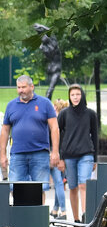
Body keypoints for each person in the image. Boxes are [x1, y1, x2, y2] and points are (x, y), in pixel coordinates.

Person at [1, 74, 61, 205]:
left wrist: (55, 151)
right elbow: (5, 131)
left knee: (40, 188)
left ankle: (38, 220)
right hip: (17, 154)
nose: (20, 90)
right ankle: (19, 219)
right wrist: (2, 155)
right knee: (15, 187)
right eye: (18, 87)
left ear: (32, 86)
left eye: (23, 87)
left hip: (40, 153)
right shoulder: (11, 105)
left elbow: (54, 128)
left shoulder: (45, 104)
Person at [58, 84, 99, 221]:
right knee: (73, 187)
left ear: (82, 95)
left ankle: (85, 216)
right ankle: (76, 219)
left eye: (78, 94)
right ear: (69, 97)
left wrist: (95, 158)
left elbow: (95, 136)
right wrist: (60, 157)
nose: (75, 97)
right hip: (69, 156)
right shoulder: (64, 114)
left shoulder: (90, 114)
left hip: (86, 154)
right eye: (72, 95)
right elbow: (57, 135)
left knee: (83, 184)